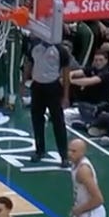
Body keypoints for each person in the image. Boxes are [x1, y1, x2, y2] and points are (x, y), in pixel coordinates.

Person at [27, 38, 70, 167]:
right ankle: (39, 150)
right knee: (37, 120)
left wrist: (66, 96)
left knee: (58, 122)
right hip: (37, 87)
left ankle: (64, 156)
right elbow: (29, 64)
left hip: (53, 88)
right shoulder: (34, 46)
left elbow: (66, 74)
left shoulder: (61, 50)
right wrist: (24, 82)